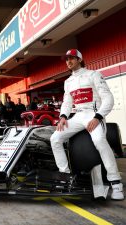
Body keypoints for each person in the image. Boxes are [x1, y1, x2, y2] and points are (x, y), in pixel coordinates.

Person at [50, 49, 124, 200]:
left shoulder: (94, 75)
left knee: (99, 140)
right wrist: (63, 116)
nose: (68, 62)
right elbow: (67, 102)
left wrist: (98, 117)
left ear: (79, 60)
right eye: (66, 59)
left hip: (94, 114)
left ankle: (116, 183)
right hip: (78, 116)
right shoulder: (68, 81)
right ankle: (65, 176)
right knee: (55, 138)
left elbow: (108, 99)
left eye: (71, 58)